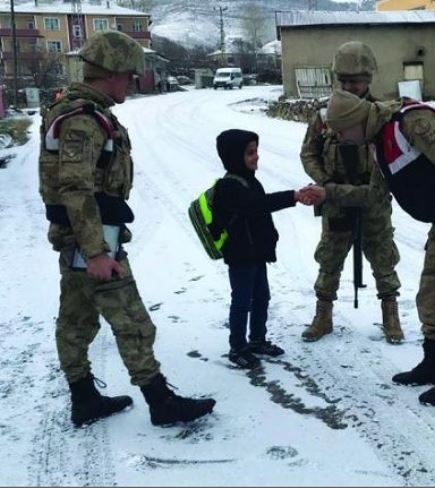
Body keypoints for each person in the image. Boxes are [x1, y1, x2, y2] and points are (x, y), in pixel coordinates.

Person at [38, 31, 215, 427]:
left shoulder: (77, 109)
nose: (132, 83)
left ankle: (84, 399)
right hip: (93, 239)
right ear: (112, 73)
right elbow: (75, 187)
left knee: (77, 319)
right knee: (132, 320)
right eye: (130, 76)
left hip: (82, 238)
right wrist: (97, 252)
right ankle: (160, 403)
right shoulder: (83, 119)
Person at [316, 89, 435, 406]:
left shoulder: (411, 123)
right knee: (430, 291)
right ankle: (434, 362)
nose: (342, 140)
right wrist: (328, 193)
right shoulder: (377, 140)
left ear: (356, 121)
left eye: (343, 132)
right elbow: (374, 195)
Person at [299, 41, 404, 344]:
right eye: (343, 81)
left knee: (383, 256)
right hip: (334, 201)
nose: (348, 86)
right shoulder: (324, 116)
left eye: (355, 81)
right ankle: (323, 315)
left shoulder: (381, 116)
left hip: (373, 200)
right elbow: (309, 154)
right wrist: (324, 183)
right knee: (330, 257)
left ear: (368, 80)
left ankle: (390, 314)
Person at [212, 129, 320, 369]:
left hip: (256, 254)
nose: (256, 157)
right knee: (241, 301)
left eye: (256, 151)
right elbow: (258, 205)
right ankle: (237, 347)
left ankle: (257, 340)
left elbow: (259, 209)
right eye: (250, 153)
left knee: (261, 297)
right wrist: (293, 196)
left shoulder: (249, 180)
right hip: (240, 257)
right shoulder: (229, 186)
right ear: (233, 156)